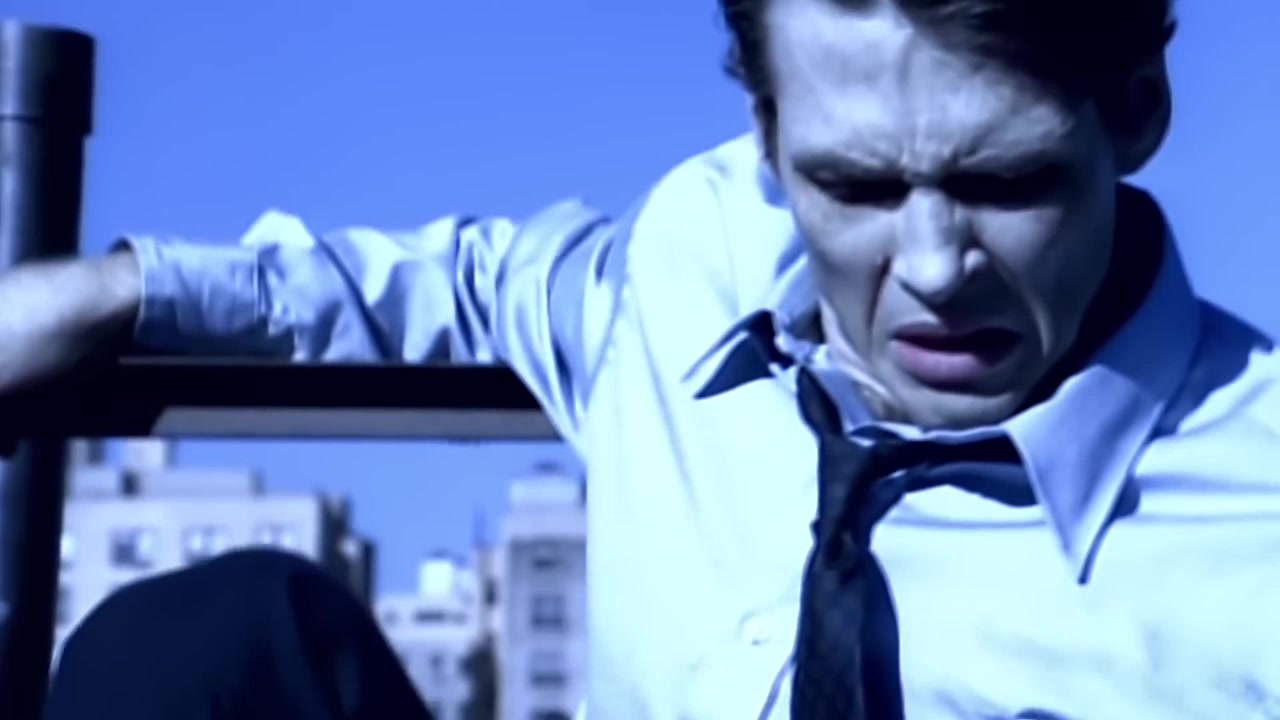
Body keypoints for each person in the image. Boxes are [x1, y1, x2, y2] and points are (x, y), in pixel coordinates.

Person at [3, 0, 1279, 717]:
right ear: (767, 140)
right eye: (854, 187)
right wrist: (125, 288)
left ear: (1134, 113)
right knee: (207, 637)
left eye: (1006, 183)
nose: (936, 266)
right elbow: (469, 277)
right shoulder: (697, 251)